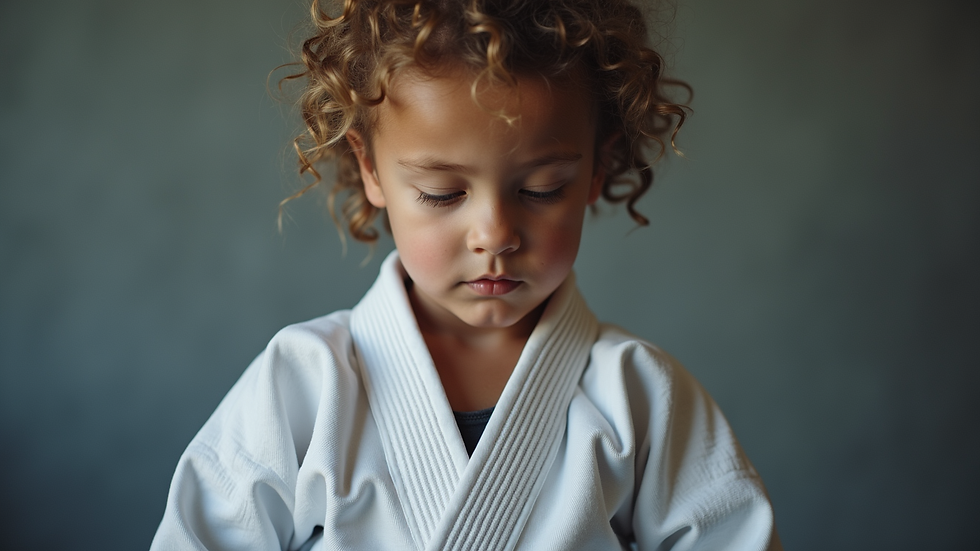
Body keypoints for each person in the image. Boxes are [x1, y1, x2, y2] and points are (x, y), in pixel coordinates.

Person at [151, 0, 781, 549]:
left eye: (541, 189)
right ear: (371, 170)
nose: (495, 235)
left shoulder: (641, 397)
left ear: (597, 167)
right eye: (443, 194)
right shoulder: (302, 386)